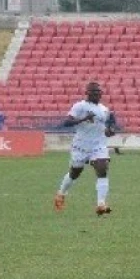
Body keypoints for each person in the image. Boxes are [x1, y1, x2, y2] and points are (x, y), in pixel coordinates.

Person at [53, 82, 118, 215]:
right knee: (74, 173)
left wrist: (110, 131)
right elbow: (66, 122)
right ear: (87, 93)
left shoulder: (104, 109)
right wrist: (83, 119)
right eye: (95, 92)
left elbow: (105, 130)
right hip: (81, 146)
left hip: (98, 146)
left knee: (102, 169)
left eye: (99, 92)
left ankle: (101, 204)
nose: (98, 94)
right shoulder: (80, 106)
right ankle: (61, 194)